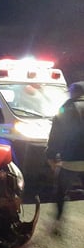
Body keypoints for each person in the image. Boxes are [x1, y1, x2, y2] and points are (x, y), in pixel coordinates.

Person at [46, 81, 84, 233]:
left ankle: (58, 221)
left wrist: (51, 155)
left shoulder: (66, 109)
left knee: (61, 190)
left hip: (71, 159)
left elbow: (56, 135)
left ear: (73, 92)